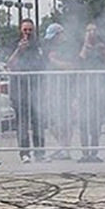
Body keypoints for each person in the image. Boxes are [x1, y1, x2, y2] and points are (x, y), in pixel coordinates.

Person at [6, 18, 46, 163]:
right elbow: (8, 64)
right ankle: (24, 153)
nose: (28, 33)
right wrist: (19, 50)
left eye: (30, 30)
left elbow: (44, 64)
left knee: (38, 122)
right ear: (20, 30)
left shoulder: (38, 45)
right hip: (19, 90)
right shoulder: (14, 44)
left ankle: (40, 153)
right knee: (22, 123)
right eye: (25, 30)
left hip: (36, 89)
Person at [76, 22, 105, 162]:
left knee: (96, 123)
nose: (91, 33)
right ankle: (84, 153)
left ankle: (94, 153)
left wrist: (99, 49)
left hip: (99, 89)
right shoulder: (82, 47)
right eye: (88, 30)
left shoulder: (102, 46)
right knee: (83, 123)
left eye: (94, 30)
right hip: (84, 89)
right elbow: (80, 61)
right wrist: (86, 45)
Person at [43, 23, 75, 160]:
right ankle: (64, 147)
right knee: (51, 122)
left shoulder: (69, 48)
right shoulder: (50, 48)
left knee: (65, 121)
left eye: (55, 37)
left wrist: (55, 61)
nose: (53, 40)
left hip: (67, 89)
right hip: (54, 88)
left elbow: (72, 66)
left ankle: (65, 149)